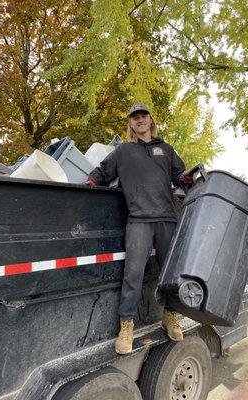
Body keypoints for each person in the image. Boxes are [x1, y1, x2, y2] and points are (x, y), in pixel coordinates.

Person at [86, 103, 192, 354]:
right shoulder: (123, 151)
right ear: (131, 124)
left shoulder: (166, 149)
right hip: (139, 220)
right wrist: (92, 180)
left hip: (167, 218)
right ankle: (126, 326)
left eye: (143, 116)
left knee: (171, 273)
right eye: (135, 117)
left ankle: (171, 316)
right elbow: (102, 170)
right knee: (133, 274)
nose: (140, 120)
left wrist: (186, 177)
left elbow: (179, 176)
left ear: (150, 120)